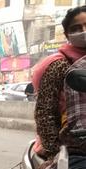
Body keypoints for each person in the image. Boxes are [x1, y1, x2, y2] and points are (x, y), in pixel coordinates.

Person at [32, 6, 86, 160]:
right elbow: (45, 112)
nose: (83, 31)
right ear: (67, 34)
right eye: (76, 28)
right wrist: (54, 154)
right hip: (69, 149)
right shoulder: (59, 65)